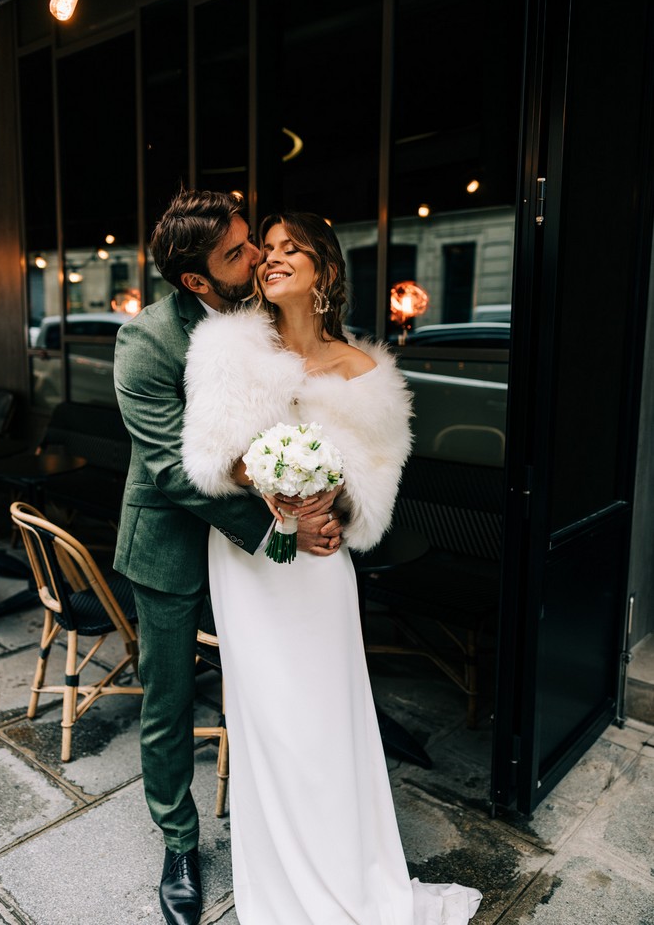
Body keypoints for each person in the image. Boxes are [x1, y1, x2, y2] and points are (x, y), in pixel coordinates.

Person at [181, 211, 483, 925]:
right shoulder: (227, 347)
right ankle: (286, 887)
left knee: (328, 720)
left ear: (324, 270)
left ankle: (352, 876)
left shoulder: (369, 373)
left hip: (319, 568)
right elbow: (206, 458)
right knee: (274, 722)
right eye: (268, 250)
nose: (273, 258)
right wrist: (261, 479)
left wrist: (335, 508)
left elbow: (376, 487)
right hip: (252, 561)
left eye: (292, 249)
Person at [113, 191, 343, 925]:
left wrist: (316, 493)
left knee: (282, 677)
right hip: (176, 541)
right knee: (169, 699)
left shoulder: (263, 317)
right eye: (239, 253)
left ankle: (295, 830)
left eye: (252, 241)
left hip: (261, 547)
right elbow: (173, 473)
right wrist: (276, 524)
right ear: (197, 283)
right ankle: (179, 841)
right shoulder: (146, 342)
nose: (258, 257)